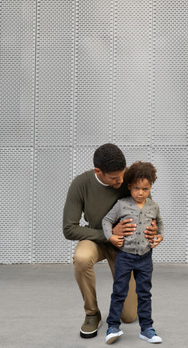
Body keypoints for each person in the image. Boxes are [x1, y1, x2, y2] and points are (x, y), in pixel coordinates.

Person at [63, 143, 158, 339]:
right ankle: (92, 314)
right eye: (115, 178)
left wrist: (153, 229)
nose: (122, 181)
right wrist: (108, 234)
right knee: (81, 258)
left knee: (130, 316)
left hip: (125, 247)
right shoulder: (81, 184)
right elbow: (69, 228)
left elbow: (147, 208)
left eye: (123, 175)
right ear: (98, 171)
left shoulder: (130, 178)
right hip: (96, 239)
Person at [102, 161, 164, 345]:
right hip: (125, 256)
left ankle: (147, 329)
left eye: (145, 189)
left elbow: (160, 223)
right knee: (119, 291)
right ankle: (112, 327)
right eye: (136, 188)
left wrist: (160, 236)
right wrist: (111, 237)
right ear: (129, 186)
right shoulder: (121, 204)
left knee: (144, 293)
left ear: (150, 187)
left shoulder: (153, 206)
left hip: (145, 257)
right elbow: (106, 220)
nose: (140, 192)